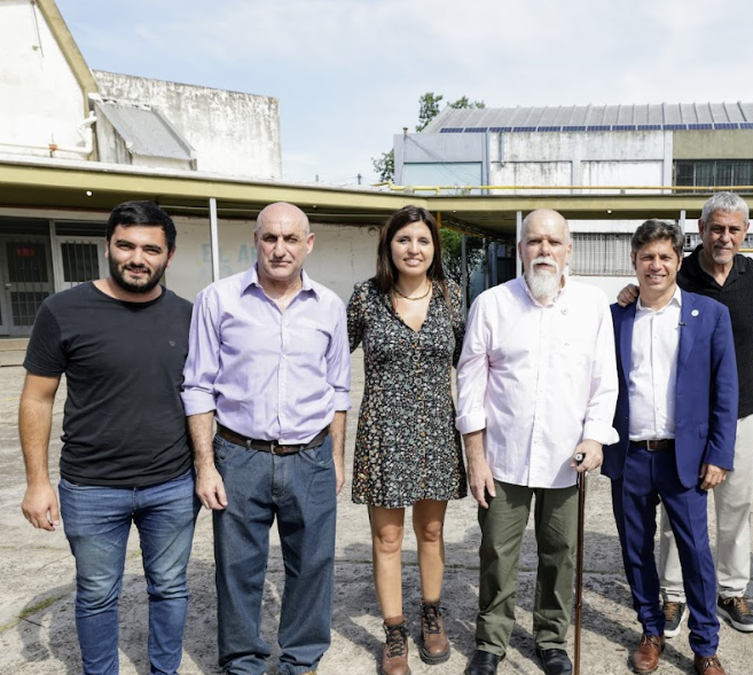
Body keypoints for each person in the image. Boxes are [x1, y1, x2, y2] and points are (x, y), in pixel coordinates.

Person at [19, 200, 197, 675]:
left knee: (170, 586)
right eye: (126, 245)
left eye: (151, 249)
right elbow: (37, 398)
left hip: (172, 485)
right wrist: (37, 481)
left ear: (169, 256)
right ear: (108, 246)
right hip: (91, 487)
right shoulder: (63, 310)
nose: (137, 257)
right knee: (97, 593)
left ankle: (164, 670)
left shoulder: (189, 316)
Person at [183, 202, 351, 675]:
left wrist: (336, 456)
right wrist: (205, 464)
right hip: (239, 455)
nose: (280, 250)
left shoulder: (330, 307)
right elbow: (198, 385)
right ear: (255, 240)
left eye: (291, 239)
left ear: (308, 244)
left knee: (312, 565)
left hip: (311, 455)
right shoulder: (218, 300)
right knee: (238, 570)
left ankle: (301, 660)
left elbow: (339, 389)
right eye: (270, 238)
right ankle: (242, 663)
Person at [456, 209, 618, 675]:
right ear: (520, 248)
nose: (543, 251)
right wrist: (475, 458)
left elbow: (604, 381)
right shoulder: (491, 304)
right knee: (497, 553)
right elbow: (470, 383)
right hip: (502, 459)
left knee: (560, 552)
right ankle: (491, 641)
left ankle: (551, 637)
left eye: (553, 242)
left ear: (569, 251)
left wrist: (595, 436)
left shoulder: (592, 305)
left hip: (566, 460)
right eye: (534, 242)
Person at [618, 192, 753, 636]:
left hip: (724, 419)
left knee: (726, 515)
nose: (725, 236)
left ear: (744, 233)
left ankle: (723, 607)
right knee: (659, 533)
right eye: (716, 228)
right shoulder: (656, 290)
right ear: (701, 233)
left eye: (733, 229)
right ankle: (666, 605)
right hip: (656, 437)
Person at [604, 220, 737, 675]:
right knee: (636, 550)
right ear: (634, 262)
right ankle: (651, 632)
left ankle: (705, 645)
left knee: (696, 553)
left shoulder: (709, 314)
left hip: (686, 458)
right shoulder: (615, 316)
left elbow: (726, 390)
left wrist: (720, 454)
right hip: (631, 456)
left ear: (678, 261)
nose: (655, 265)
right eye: (647, 257)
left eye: (664, 257)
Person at [347, 206, 467, 675]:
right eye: (404, 240)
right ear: (389, 246)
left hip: (435, 431)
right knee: (388, 536)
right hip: (383, 430)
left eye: (423, 240)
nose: (413, 249)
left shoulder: (452, 297)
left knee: (432, 531)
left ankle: (431, 613)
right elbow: (332, 356)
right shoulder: (366, 298)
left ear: (434, 249)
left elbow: (474, 364)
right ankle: (394, 631)